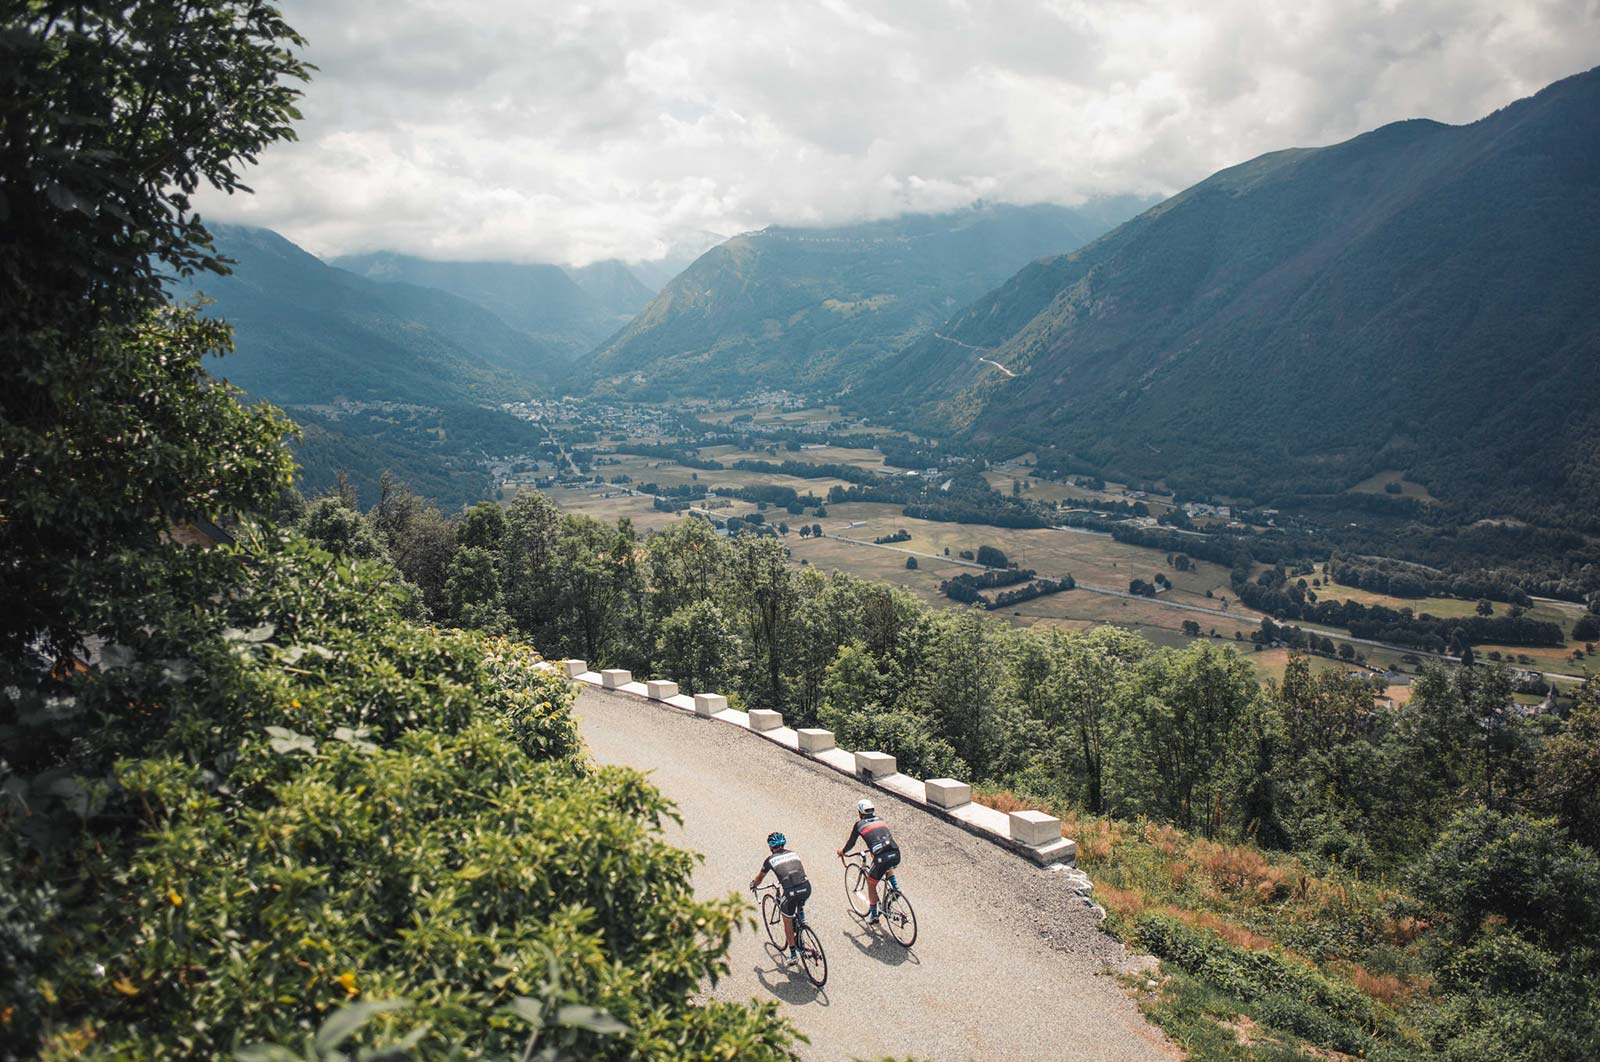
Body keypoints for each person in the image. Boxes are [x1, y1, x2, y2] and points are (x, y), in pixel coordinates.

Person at [751, 831, 811, 965]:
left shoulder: (770, 860)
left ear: (770, 847)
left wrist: (753, 885)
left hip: (790, 893)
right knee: (799, 900)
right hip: (806, 887)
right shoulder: (794, 853)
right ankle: (802, 919)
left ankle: (793, 954)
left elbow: (759, 878)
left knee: (787, 921)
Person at [837, 797, 901, 924]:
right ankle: (895, 888)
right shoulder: (881, 820)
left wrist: (843, 852)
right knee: (887, 866)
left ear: (860, 813)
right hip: (895, 852)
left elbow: (851, 843)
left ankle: (874, 915)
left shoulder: (859, 824)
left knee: (871, 884)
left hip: (881, 857)